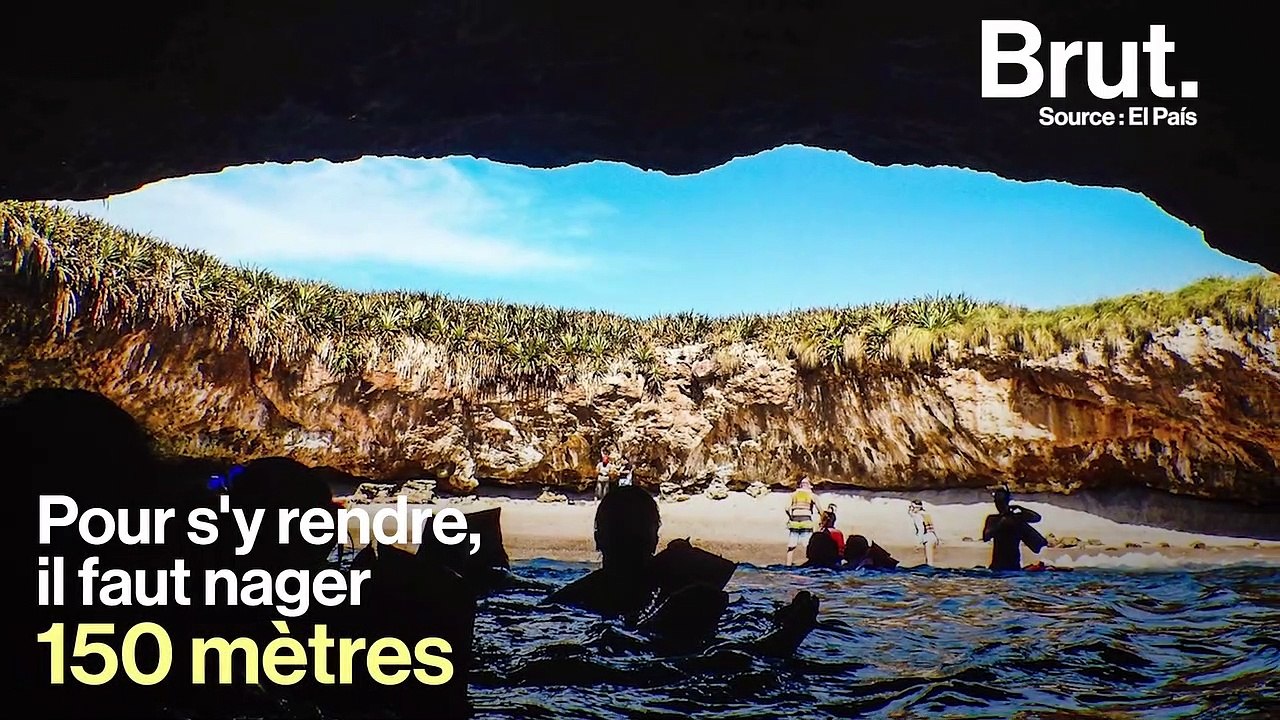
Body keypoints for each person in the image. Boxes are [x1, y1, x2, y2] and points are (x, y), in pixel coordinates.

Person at [981, 486, 1048, 570]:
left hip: (1010, 566)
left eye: (1001, 502)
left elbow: (1037, 518)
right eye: (998, 502)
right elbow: (986, 537)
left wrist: (1020, 509)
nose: (999, 505)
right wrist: (1003, 521)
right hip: (1001, 566)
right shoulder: (994, 519)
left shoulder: (1015, 519)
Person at [785, 477, 820, 566]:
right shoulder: (812, 495)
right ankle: (811, 563)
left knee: (791, 546)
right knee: (808, 544)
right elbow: (820, 509)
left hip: (794, 521)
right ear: (810, 486)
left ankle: (788, 564)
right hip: (806, 519)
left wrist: (791, 517)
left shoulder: (793, 494)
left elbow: (786, 508)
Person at [907, 499, 938, 565]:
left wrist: (918, 543)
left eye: (912, 507)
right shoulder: (925, 514)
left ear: (918, 508)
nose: (911, 509)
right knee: (930, 561)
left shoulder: (917, 516)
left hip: (927, 538)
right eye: (910, 507)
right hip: (933, 537)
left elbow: (921, 530)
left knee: (929, 562)